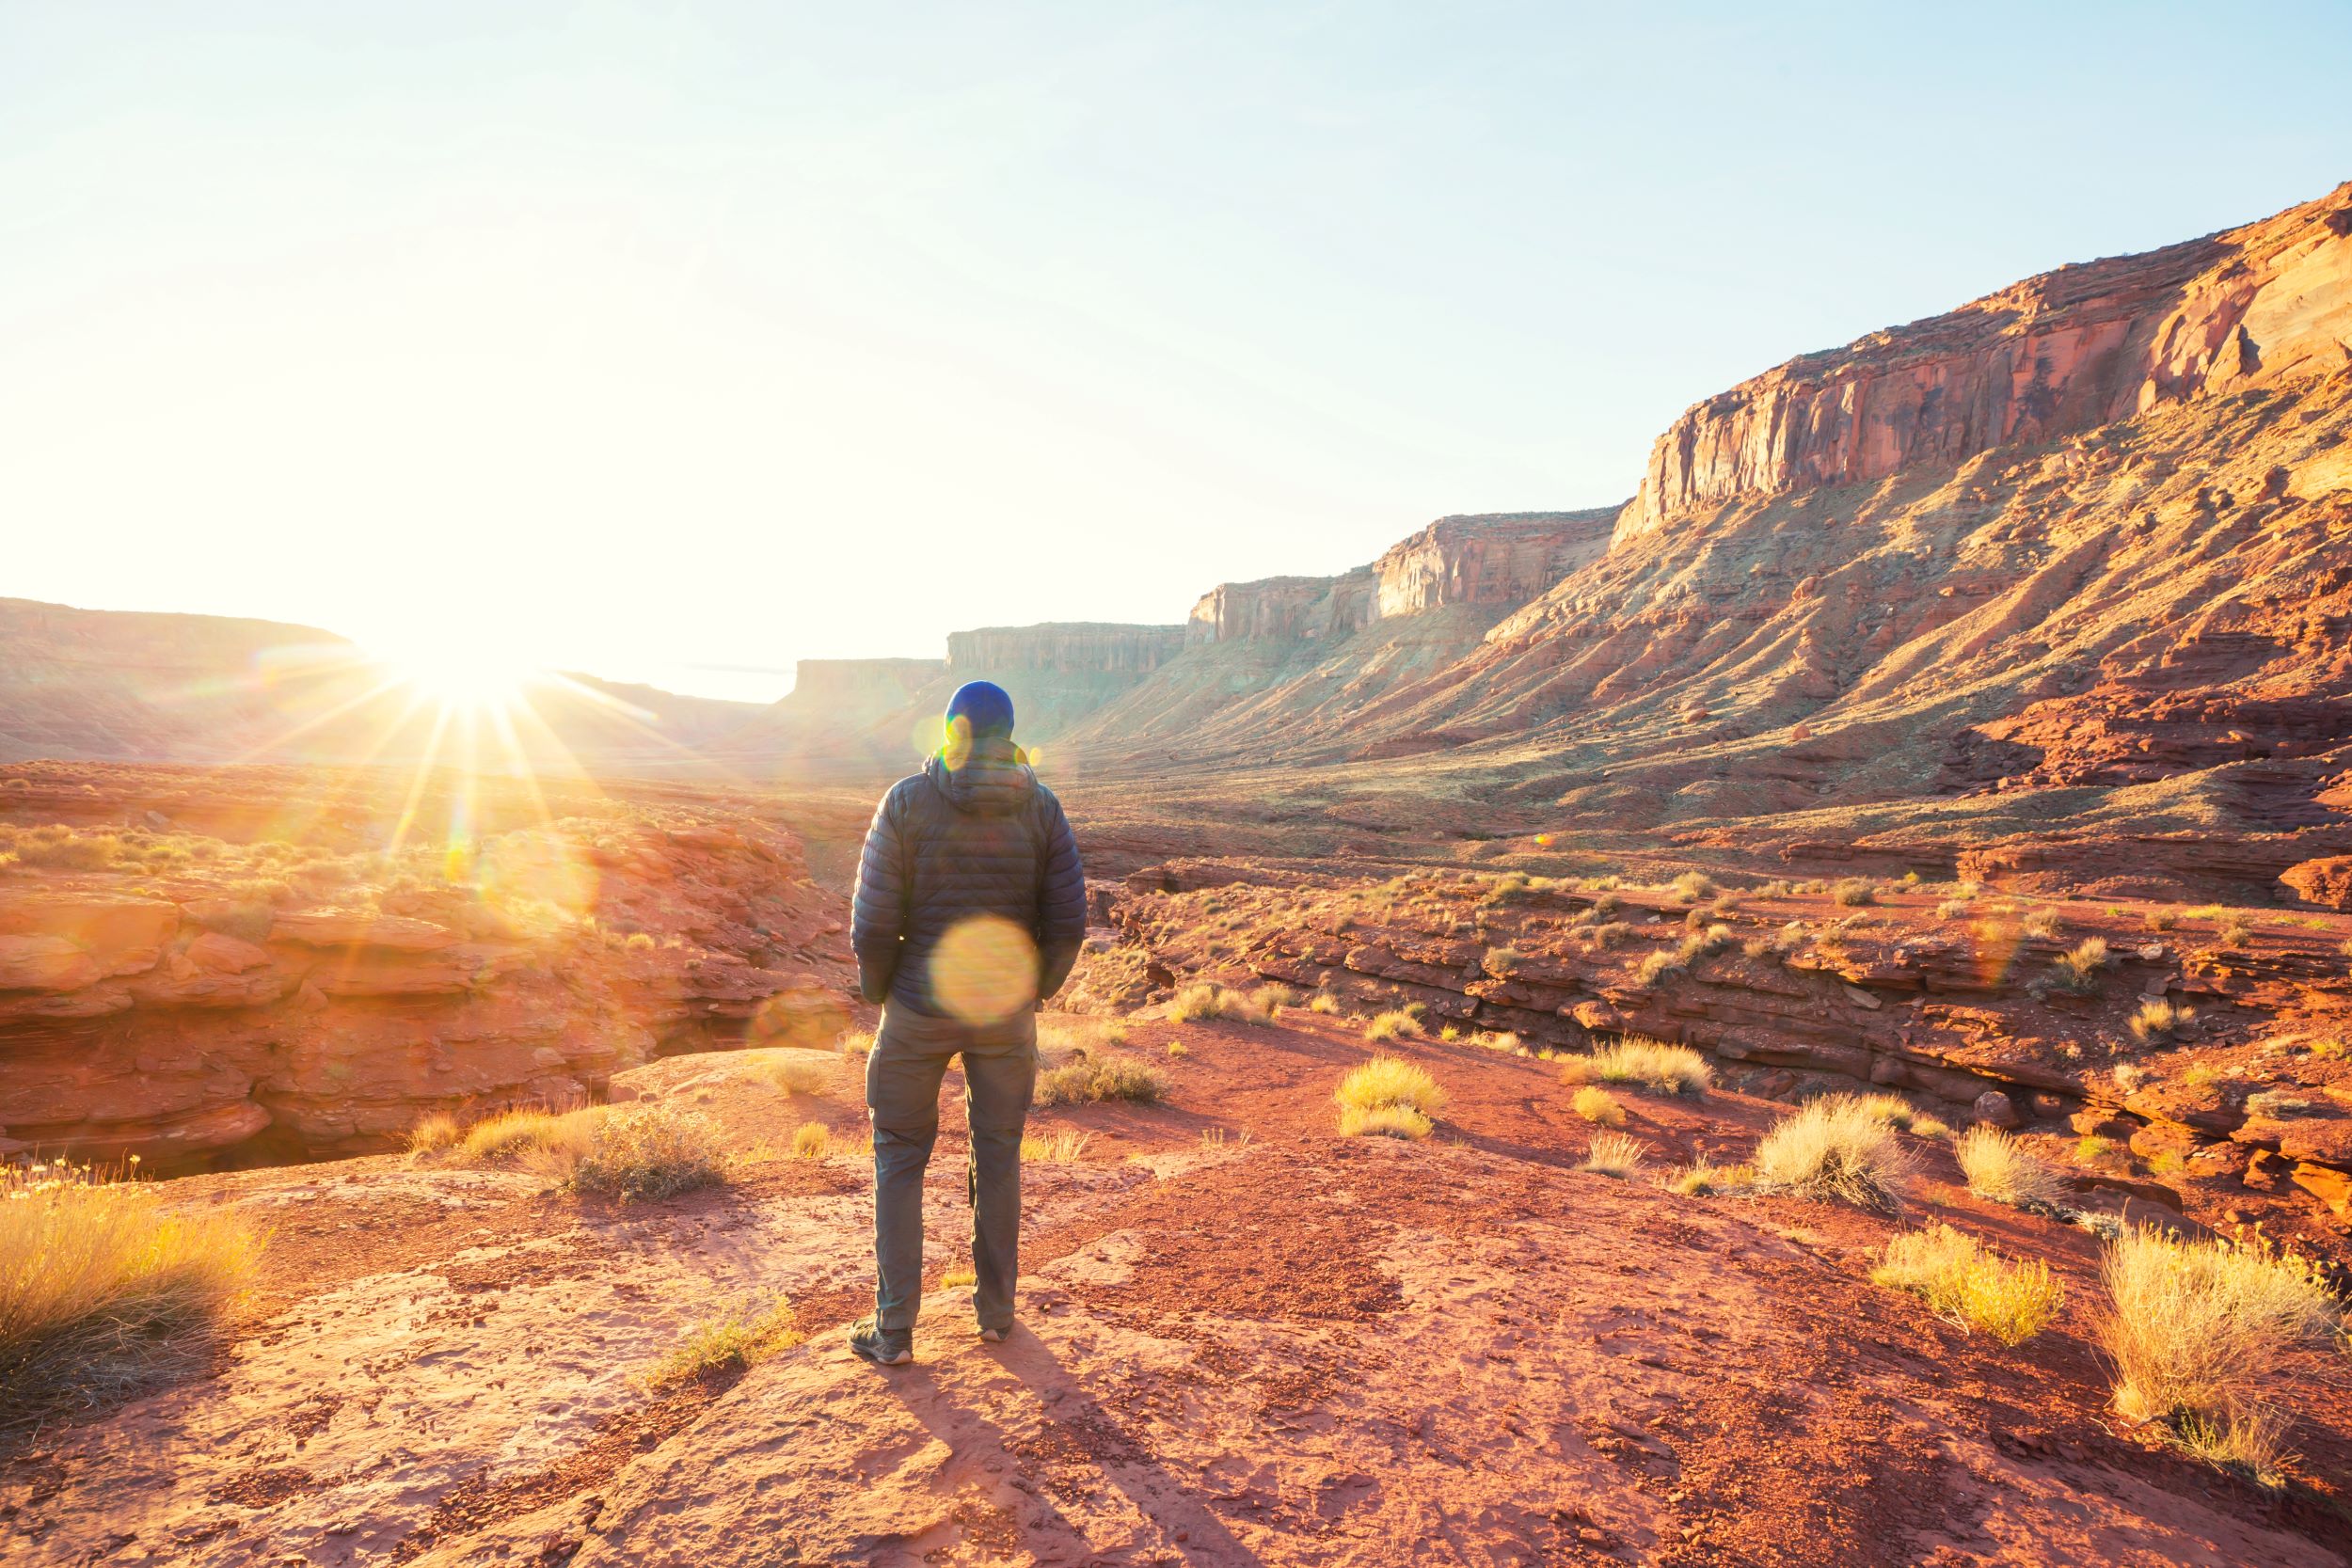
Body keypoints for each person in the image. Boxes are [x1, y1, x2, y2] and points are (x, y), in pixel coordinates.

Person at [845, 679, 1086, 1365]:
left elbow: (872, 923)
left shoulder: (907, 800)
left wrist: (884, 992)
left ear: (952, 728)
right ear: (1011, 732)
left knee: (898, 1155)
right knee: (1000, 1149)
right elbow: (1068, 921)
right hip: (1003, 1014)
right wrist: (1033, 991)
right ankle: (996, 1313)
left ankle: (894, 1331)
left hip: (918, 1008)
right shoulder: (1040, 807)